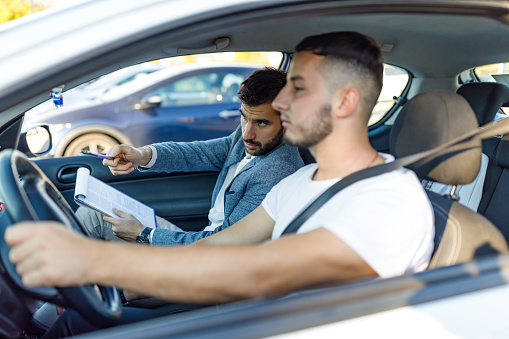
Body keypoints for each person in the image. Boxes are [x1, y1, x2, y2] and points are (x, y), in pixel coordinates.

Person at [5, 31, 434, 337]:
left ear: (345, 101)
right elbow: (218, 248)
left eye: (297, 88)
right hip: (246, 316)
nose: (282, 104)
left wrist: (92, 262)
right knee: (75, 323)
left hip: (254, 322)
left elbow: (257, 272)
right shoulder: (304, 180)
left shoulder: (388, 202)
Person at [76, 67, 304, 246]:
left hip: (208, 260)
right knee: (91, 212)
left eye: (262, 123)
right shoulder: (248, 137)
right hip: (201, 242)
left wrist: (145, 235)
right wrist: (141, 155)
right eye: (243, 117)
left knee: (93, 222)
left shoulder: (277, 171)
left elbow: (224, 245)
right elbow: (196, 152)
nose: (247, 133)